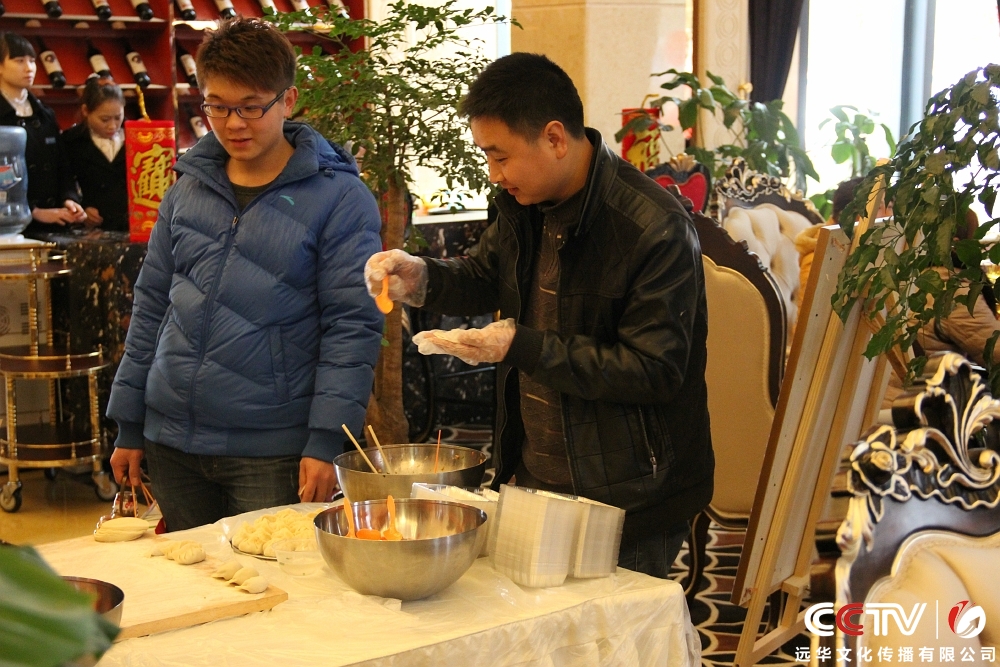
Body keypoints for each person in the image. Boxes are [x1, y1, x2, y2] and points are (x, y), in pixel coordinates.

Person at [365, 53, 714, 578]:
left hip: (629, 497)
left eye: (500, 156)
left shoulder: (651, 227)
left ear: (554, 138)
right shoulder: (524, 203)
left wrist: (519, 345)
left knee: (614, 630)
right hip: (535, 478)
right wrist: (422, 276)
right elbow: (484, 274)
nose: (494, 174)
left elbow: (653, 370)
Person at [106, 17, 383, 531]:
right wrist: (130, 422)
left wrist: (328, 439)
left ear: (288, 100)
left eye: (251, 106)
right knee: (187, 575)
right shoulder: (187, 188)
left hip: (272, 449)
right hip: (172, 441)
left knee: (268, 579)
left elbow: (351, 327)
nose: (234, 123)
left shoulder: (341, 199)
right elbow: (150, 306)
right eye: (217, 106)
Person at [0, 32, 85, 235]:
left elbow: (62, 165)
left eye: (32, 61)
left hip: (54, 224)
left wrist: (69, 199)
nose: (29, 68)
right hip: (9, 226)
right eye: (19, 61)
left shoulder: (45, 114)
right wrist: (33, 211)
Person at [61, 78, 128, 232]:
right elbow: (65, 183)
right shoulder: (72, 141)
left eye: (118, 117)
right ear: (86, 111)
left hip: (132, 223)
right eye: (105, 119)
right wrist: (81, 208)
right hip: (93, 226)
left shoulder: (138, 136)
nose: (112, 125)